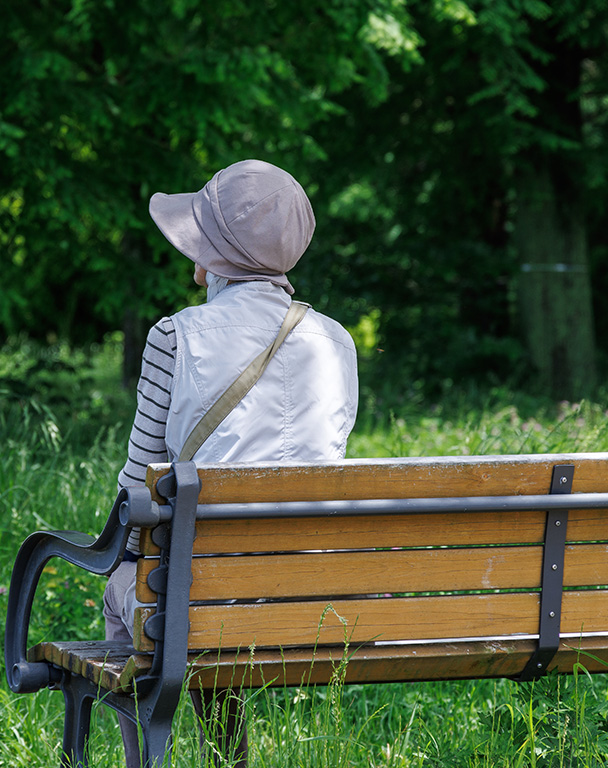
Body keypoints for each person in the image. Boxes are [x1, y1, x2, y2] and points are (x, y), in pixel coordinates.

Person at [103, 159, 359, 767]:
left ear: (213, 253)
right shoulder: (336, 341)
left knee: (131, 589)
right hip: (307, 598)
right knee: (204, 578)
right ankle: (229, 760)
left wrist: (108, 554)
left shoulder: (176, 336)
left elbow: (138, 485)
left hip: (197, 596)